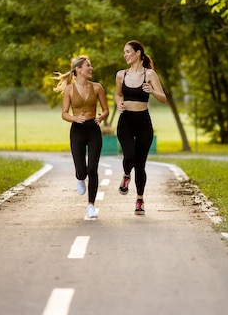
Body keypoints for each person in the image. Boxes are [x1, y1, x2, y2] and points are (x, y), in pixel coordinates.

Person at [115, 40, 167, 215]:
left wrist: (151, 91)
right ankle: (126, 175)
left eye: (128, 52)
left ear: (138, 53)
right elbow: (117, 94)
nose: (125, 55)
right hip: (126, 121)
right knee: (129, 155)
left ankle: (139, 200)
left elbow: (163, 98)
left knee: (141, 164)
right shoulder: (121, 75)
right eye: (124, 52)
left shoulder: (149, 74)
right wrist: (118, 104)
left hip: (144, 122)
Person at [53, 55, 109, 219]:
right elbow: (64, 113)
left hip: (93, 129)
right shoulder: (69, 90)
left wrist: (101, 117)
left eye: (90, 66)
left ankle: (91, 205)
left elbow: (106, 109)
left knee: (93, 168)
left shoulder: (97, 87)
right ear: (78, 69)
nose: (91, 68)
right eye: (88, 66)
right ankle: (79, 177)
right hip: (77, 130)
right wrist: (74, 118)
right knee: (82, 170)